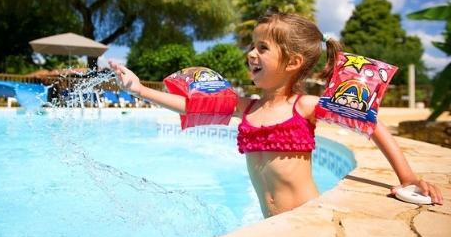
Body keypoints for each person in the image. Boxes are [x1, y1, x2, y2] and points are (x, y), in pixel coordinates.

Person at [110, 13, 443, 217]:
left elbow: (370, 125)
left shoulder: (305, 107)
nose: (251, 53)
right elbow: (194, 106)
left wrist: (407, 178)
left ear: (294, 62)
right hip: (270, 221)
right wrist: (139, 89)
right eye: (252, 45)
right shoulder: (248, 107)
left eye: (262, 48)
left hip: (307, 217)